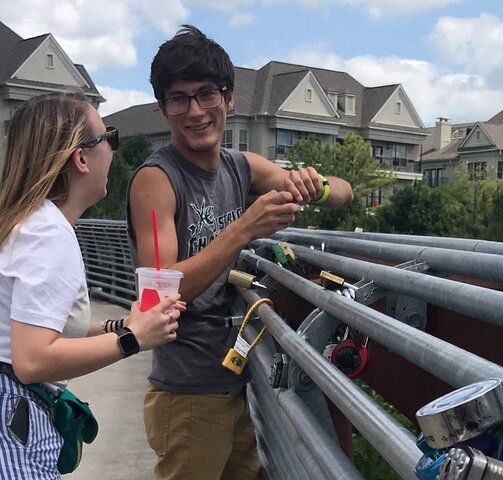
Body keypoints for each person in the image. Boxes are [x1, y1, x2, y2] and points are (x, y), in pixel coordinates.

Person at [127, 25, 354, 480]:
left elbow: (345, 193)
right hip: (189, 395)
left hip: (238, 381)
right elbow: (158, 294)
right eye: (179, 99)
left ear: (229, 99)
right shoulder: (157, 180)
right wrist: (244, 228)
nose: (195, 111)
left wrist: (317, 183)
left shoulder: (241, 166)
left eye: (206, 94)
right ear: (162, 108)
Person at [0, 92, 185, 480]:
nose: (113, 152)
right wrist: (133, 339)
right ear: (81, 158)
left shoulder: (26, 222)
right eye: (109, 139)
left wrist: (121, 325)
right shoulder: (48, 235)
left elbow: (42, 326)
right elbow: (32, 360)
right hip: (0, 425)